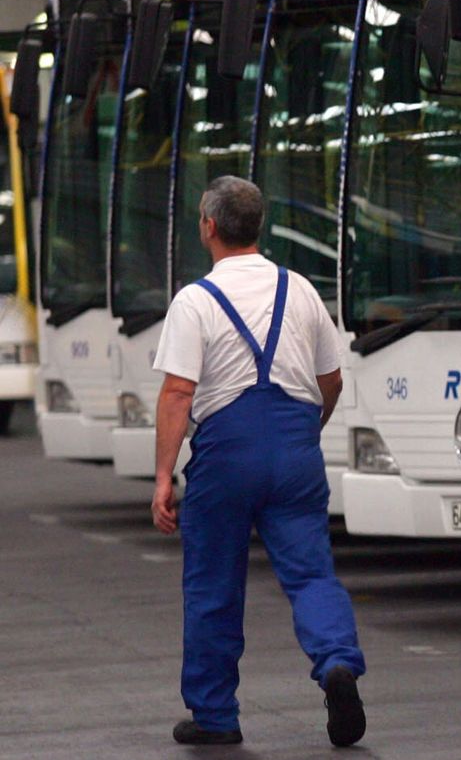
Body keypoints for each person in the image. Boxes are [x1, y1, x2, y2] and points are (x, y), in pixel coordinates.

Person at [150, 175, 367, 747]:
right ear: (258, 226)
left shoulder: (196, 301)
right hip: (295, 448)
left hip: (226, 453)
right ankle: (337, 662)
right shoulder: (299, 290)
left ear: (209, 226)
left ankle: (216, 716)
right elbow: (332, 379)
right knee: (311, 573)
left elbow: (177, 393)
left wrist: (162, 478)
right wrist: (304, 433)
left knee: (213, 585)